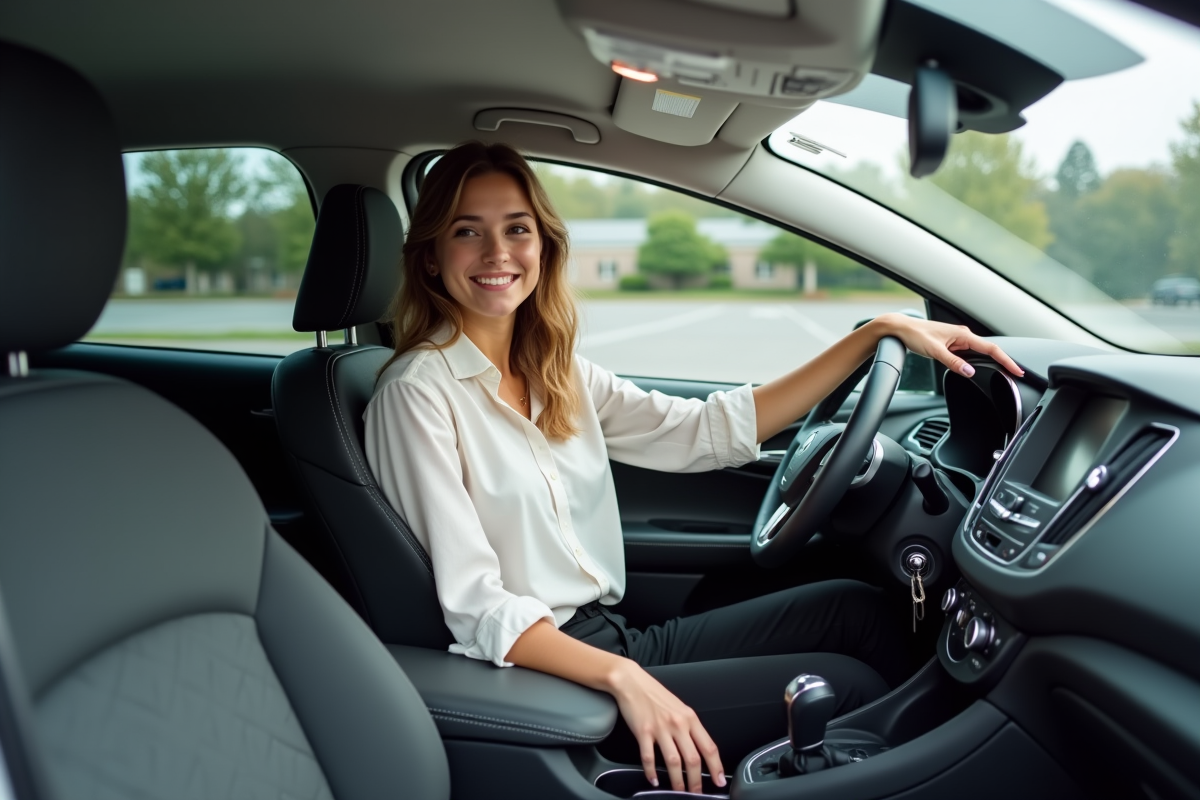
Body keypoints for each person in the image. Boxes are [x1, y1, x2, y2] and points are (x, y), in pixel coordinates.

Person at [364, 141, 1022, 794]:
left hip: (613, 635)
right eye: (466, 232)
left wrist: (870, 338)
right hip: (550, 674)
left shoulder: (554, 372)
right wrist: (624, 679)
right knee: (848, 688)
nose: (497, 253)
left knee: (860, 612)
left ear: (544, 245)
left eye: (517, 229)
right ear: (430, 258)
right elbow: (477, 605)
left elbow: (704, 432)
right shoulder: (417, 393)